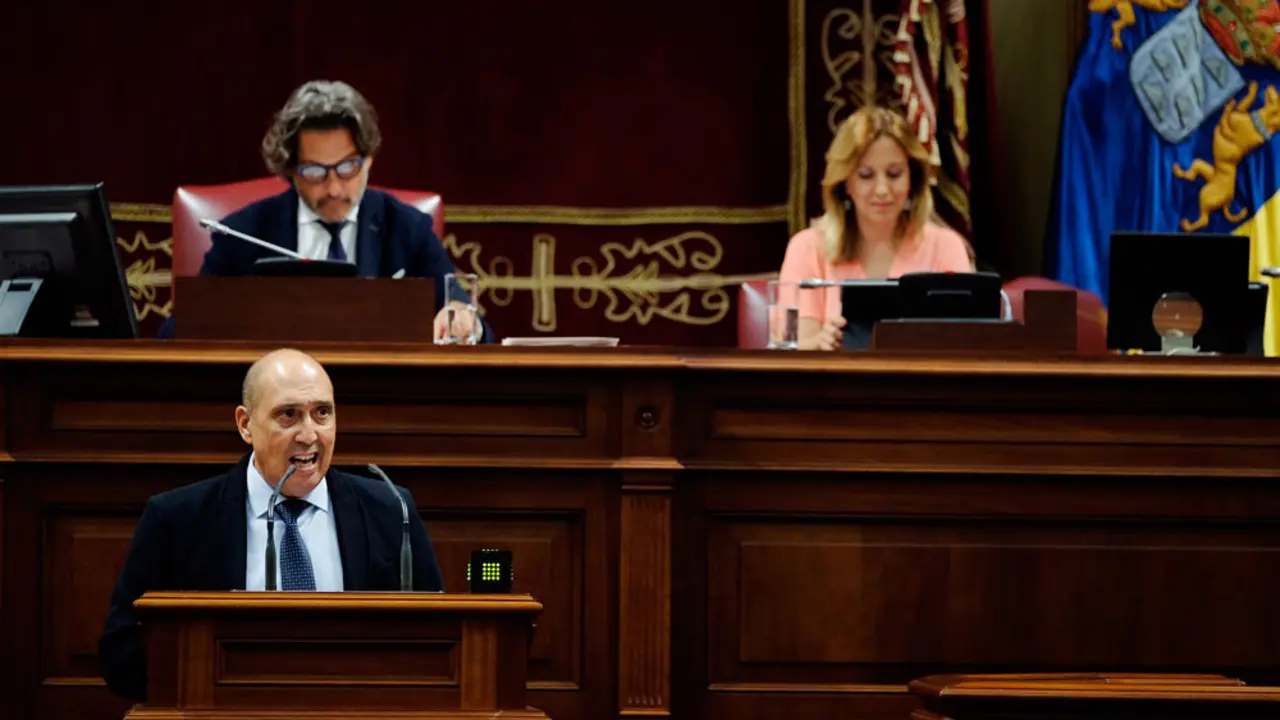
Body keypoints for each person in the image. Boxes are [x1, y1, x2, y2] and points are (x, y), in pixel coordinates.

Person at [98, 348, 445, 702]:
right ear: (245, 424)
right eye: (288, 416)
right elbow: (121, 652)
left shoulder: (390, 510)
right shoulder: (177, 519)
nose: (309, 435)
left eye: (321, 413)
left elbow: (440, 641)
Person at [159, 79, 489, 342]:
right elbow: (179, 331)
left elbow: (474, 327)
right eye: (315, 172)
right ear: (290, 169)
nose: (333, 188)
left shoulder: (406, 229)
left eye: (347, 168)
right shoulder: (244, 233)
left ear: (369, 160)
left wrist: (462, 318)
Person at [779, 105, 975, 350]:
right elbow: (790, 349)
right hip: (833, 385)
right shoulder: (806, 247)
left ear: (912, 179)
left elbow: (964, 347)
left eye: (894, 174)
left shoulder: (946, 246)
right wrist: (821, 344)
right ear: (845, 183)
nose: (882, 190)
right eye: (866, 175)